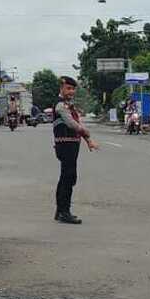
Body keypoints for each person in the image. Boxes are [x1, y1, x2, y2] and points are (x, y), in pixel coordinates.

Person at [52, 76, 98, 224]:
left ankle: (60, 211)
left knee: (66, 177)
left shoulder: (69, 105)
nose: (71, 91)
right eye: (68, 88)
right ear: (61, 89)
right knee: (68, 177)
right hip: (65, 145)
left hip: (71, 144)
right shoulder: (61, 106)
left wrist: (88, 141)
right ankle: (64, 212)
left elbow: (77, 124)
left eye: (73, 89)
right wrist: (87, 132)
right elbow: (73, 125)